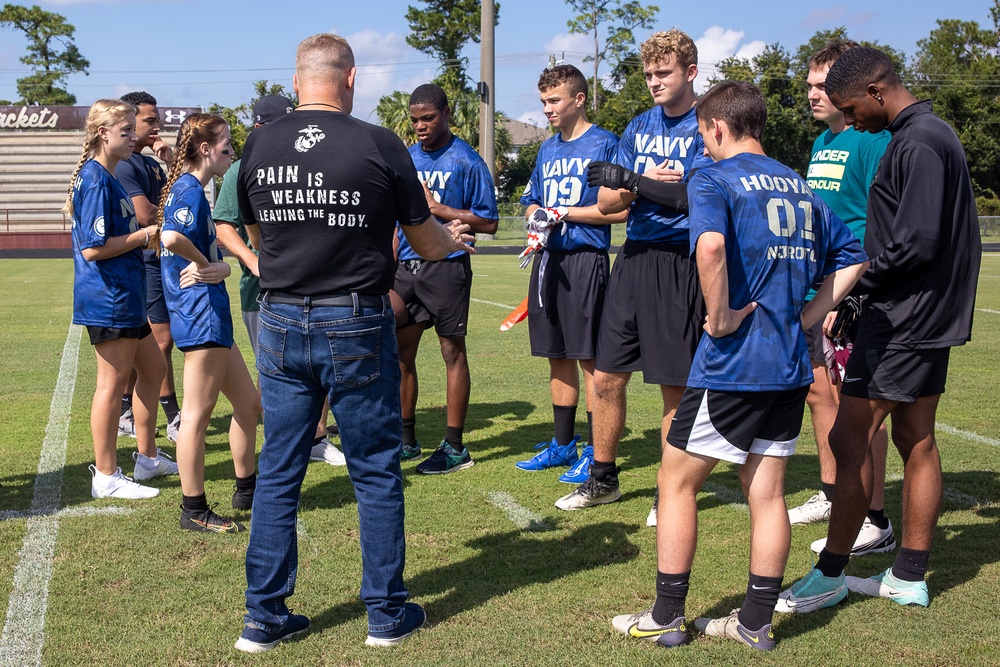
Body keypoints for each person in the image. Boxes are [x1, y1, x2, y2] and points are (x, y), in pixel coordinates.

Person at [235, 33, 474, 652]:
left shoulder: (260, 142)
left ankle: (262, 617)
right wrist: (453, 242)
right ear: (351, 78)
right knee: (374, 471)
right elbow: (423, 239)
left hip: (282, 317)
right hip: (355, 319)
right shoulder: (377, 142)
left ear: (296, 82)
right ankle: (385, 613)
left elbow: (258, 233)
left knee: (281, 468)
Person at [612, 80, 867, 651]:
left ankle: (666, 615)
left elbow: (709, 248)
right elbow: (853, 257)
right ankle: (754, 622)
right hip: (789, 365)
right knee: (767, 491)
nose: (700, 146)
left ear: (718, 128)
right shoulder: (800, 185)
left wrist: (721, 316)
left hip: (734, 364)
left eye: (703, 135)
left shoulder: (714, 177)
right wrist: (808, 317)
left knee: (675, 481)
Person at [778, 47, 982, 613]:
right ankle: (908, 576)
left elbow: (912, 245)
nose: (852, 119)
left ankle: (832, 572)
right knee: (914, 436)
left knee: (847, 438)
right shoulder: (929, 134)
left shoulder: (916, 141)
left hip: (904, 320)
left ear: (874, 91)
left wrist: (849, 289)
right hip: (920, 316)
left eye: (851, 106)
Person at [556, 29, 712, 523]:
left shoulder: (707, 124)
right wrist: (640, 188)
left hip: (678, 260)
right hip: (633, 256)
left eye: (662, 72)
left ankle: (670, 490)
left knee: (672, 384)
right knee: (605, 378)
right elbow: (607, 203)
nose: (653, 82)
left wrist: (632, 183)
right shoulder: (639, 125)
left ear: (690, 72)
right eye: (647, 74)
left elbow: (690, 196)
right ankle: (602, 478)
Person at [788, 39, 895, 557]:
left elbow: (881, 222)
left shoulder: (872, 140)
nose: (814, 94)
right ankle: (834, 493)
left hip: (852, 294)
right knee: (819, 396)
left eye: (823, 85)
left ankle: (874, 516)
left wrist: (849, 297)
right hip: (818, 288)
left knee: (861, 407)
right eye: (809, 84)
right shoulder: (820, 142)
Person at [212, 95, 346, 468]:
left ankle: (317, 438)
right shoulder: (243, 168)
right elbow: (224, 226)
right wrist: (255, 263)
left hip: (317, 288)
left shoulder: (310, 157)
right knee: (274, 375)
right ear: (259, 127)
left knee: (321, 368)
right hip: (263, 295)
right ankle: (280, 447)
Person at [514, 64, 623, 480]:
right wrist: (537, 216)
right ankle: (563, 444)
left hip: (584, 261)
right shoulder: (547, 149)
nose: (547, 109)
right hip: (547, 259)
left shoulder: (606, 144)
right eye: (543, 101)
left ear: (579, 99)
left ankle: (596, 451)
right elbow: (531, 199)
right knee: (555, 354)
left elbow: (618, 208)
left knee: (589, 359)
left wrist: (563, 213)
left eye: (554, 100)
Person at [65, 99, 177, 499]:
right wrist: (142, 237)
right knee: (111, 387)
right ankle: (107, 475)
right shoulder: (95, 177)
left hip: (125, 295)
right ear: (103, 133)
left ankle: (146, 458)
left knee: (151, 371)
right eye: (126, 131)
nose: (134, 137)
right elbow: (94, 248)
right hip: (108, 297)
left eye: (134, 129)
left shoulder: (107, 176)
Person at [156, 113, 261, 533]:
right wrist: (208, 266)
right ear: (205, 149)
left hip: (210, 316)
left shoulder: (192, 189)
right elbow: (169, 238)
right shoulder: (189, 190)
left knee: (249, 405)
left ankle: (248, 488)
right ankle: (193, 508)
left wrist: (217, 267)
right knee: (197, 416)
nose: (231, 152)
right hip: (200, 316)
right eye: (226, 145)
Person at [394, 83, 498, 474]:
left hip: (448, 267)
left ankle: (455, 448)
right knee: (402, 355)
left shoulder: (467, 160)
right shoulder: (406, 158)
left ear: (446, 114)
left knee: (452, 354)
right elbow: (396, 217)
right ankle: (406, 441)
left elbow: (488, 220)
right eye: (415, 119)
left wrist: (439, 208)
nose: (420, 126)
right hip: (406, 268)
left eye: (428, 118)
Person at [115, 92, 182, 443]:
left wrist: (170, 165)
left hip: (160, 259)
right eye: (150, 120)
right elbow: (145, 215)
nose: (157, 127)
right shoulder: (126, 164)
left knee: (152, 341)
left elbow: (177, 196)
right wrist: (177, 214)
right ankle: (171, 415)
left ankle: (128, 408)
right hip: (144, 262)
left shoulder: (152, 164)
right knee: (160, 339)